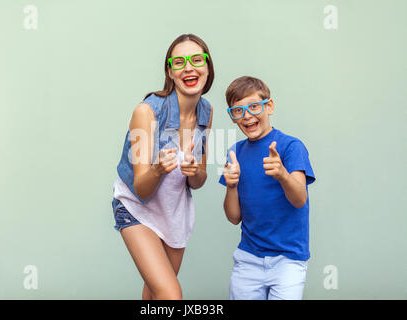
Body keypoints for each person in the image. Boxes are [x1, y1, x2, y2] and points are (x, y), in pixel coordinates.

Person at [112, 34, 214, 300]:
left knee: (155, 296)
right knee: (170, 295)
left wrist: (196, 171)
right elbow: (142, 188)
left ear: (207, 67)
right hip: (136, 208)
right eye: (179, 62)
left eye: (196, 60)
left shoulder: (206, 112)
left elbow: (198, 181)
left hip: (173, 212)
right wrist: (157, 169)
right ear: (170, 72)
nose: (189, 67)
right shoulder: (146, 112)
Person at [219, 76, 315, 300]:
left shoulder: (291, 147)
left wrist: (282, 175)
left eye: (254, 106)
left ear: (269, 106)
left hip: (288, 260)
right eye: (238, 110)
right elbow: (234, 218)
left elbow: (300, 199)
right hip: (248, 258)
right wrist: (231, 187)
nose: (247, 116)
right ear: (233, 117)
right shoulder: (235, 152)